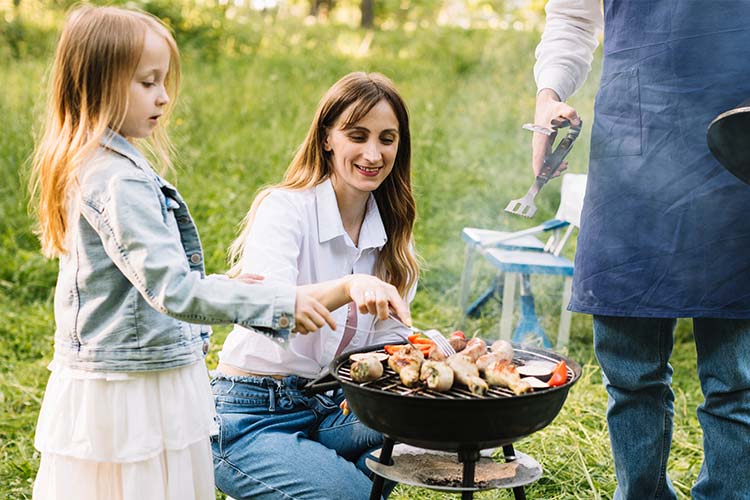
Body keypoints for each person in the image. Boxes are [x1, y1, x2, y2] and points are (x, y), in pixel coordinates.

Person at [27, 6, 378, 499]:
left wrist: (235, 290)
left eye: (163, 81)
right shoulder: (119, 179)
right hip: (132, 383)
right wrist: (278, 304)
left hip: (137, 369)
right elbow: (171, 289)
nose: (164, 97)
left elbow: (143, 279)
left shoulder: (103, 164)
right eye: (147, 83)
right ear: (100, 83)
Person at [531, 1, 750, 498]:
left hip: (739, 143)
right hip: (634, 138)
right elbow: (572, 15)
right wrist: (548, 97)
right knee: (630, 376)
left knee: (735, 382)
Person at [211, 71, 418, 500]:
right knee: (356, 495)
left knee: (429, 427)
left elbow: (386, 347)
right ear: (328, 138)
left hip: (333, 405)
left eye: (387, 138)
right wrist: (349, 285)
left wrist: (419, 350)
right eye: (357, 136)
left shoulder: (391, 231)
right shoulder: (285, 209)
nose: (373, 153)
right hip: (252, 413)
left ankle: (313, 475)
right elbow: (270, 309)